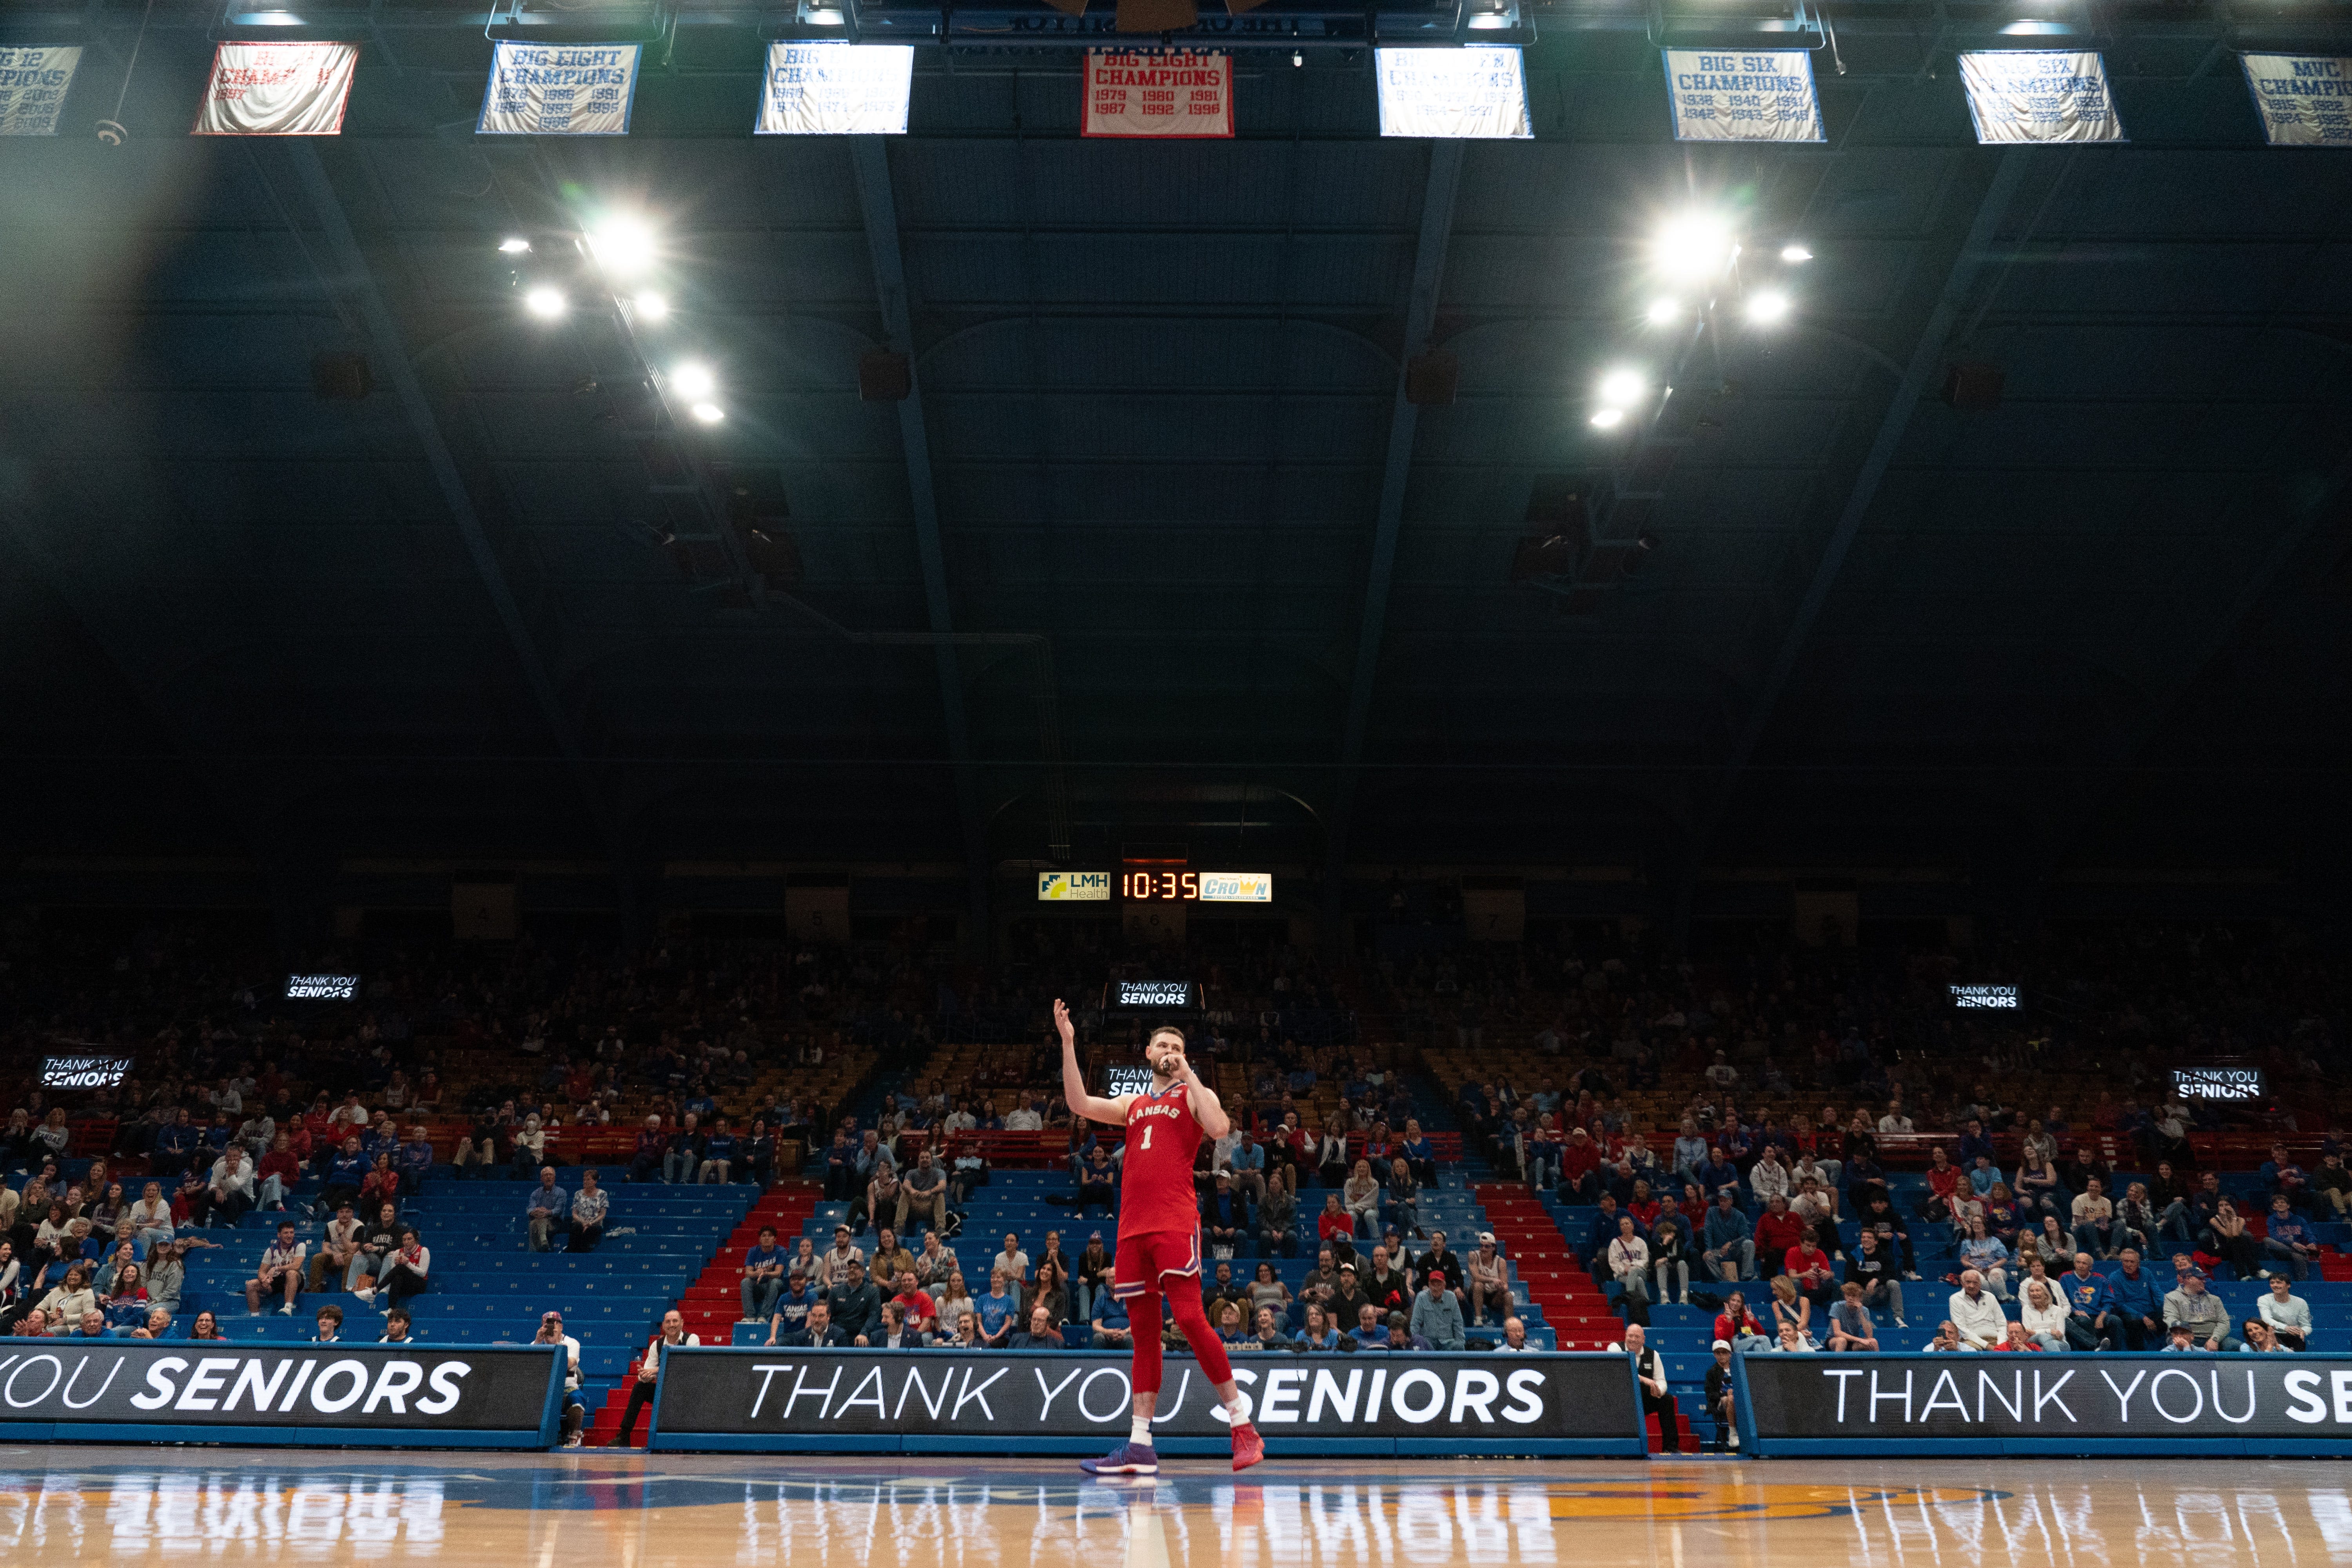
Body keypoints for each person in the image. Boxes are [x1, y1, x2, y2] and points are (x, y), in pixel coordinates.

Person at [1056, 1000, 1262, 1475]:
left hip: (1173, 1222)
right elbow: (1079, 1104)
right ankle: (1139, 1447)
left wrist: (1190, 1071)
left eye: (1178, 1047)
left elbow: (1220, 1127)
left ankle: (1243, 1427)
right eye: (1164, 1045)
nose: (1170, 1051)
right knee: (1144, 1337)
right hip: (1131, 1230)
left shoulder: (1191, 1093)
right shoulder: (1135, 1104)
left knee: (1189, 1318)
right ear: (1148, 1051)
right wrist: (1069, 1042)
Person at [608, 1309, 699, 1447]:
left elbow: (686, 1367)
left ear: (682, 1323)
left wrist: (656, 1370)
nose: (672, 1324)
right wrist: (645, 1376)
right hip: (665, 1392)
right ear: (663, 1325)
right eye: (668, 1322)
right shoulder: (657, 1345)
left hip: (688, 1394)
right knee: (640, 1387)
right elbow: (648, 1372)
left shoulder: (692, 1339)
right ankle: (624, 1435)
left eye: (675, 1321)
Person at [535, 1309, 588, 1446]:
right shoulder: (536, 1345)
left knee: (577, 1398)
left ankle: (575, 1435)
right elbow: (531, 1368)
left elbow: (567, 1364)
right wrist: (538, 1341)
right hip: (542, 1389)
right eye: (549, 1323)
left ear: (561, 1326)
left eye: (556, 1323)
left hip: (567, 1387)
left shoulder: (572, 1343)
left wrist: (558, 1343)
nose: (552, 1326)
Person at [1626, 1323, 1679, 1453]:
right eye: (1630, 1336)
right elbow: (1623, 1371)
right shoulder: (1615, 1349)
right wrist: (1644, 1379)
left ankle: (1671, 1448)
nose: (1633, 1339)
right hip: (1622, 1400)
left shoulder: (1653, 1355)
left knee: (1667, 1400)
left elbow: (1661, 1380)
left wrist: (1658, 1390)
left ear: (1643, 1339)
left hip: (1644, 1398)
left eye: (1637, 1337)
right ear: (1625, 1336)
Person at [2163, 1268, 2239, 1352]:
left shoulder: (2214, 1300)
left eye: (2204, 1279)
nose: (2204, 1281)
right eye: (2200, 1279)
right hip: (2187, 1337)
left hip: (2212, 1337)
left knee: (2237, 1346)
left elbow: (2224, 1323)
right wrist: (2186, 1339)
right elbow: (2172, 1320)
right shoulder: (2172, 1297)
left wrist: (2215, 1339)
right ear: (2189, 1279)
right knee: (2177, 1346)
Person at [244, 1221, 306, 1316]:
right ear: (279, 1235)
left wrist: (277, 1268)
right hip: (277, 1281)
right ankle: (255, 1317)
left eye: (292, 1233)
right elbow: (262, 1271)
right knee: (251, 1284)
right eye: (286, 1233)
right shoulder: (272, 1250)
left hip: (296, 1280)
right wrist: (264, 1280)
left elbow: (296, 1265)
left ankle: (288, 1308)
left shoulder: (300, 1246)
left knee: (291, 1273)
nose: (290, 1236)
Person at [1947, 1269, 2006, 1350]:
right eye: (1968, 1282)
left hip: (1995, 1339)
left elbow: (2002, 1324)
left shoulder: (1990, 1297)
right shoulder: (1955, 1299)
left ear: (1980, 1284)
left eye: (1975, 1283)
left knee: (2013, 1346)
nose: (1972, 1286)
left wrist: (2001, 1345)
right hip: (1971, 1341)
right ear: (1962, 1283)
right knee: (1971, 1349)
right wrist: (1987, 1346)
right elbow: (1961, 1328)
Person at [1465, 1234, 1513, 1327]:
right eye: (1481, 1246)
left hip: (1493, 1296)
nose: (1483, 1249)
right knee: (1479, 1285)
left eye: (1487, 1246)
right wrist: (1493, 1279)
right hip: (1475, 1294)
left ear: (1494, 1248)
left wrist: (1502, 1289)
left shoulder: (1501, 1262)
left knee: (1508, 1296)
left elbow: (1505, 1285)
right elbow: (1476, 1277)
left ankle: (1509, 1326)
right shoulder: (1473, 1256)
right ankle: (1478, 1319)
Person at [1410, 1270, 1466, 1350]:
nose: (1436, 1288)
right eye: (1433, 1285)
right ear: (1429, 1285)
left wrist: (1460, 1341)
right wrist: (1415, 1342)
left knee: (1459, 1346)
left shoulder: (1451, 1297)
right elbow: (1415, 1323)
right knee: (1421, 1345)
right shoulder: (1421, 1297)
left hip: (1447, 1342)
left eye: (1439, 1285)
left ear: (1444, 1285)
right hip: (1428, 1341)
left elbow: (1458, 1322)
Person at [1704, 1339, 1740, 1451]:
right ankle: (1733, 1434)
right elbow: (1710, 1394)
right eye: (1718, 1353)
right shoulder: (1712, 1372)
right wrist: (1724, 1394)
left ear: (1730, 1354)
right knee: (1731, 1399)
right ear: (1714, 1355)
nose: (1721, 1356)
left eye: (1724, 1352)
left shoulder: (1738, 1369)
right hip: (1721, 1402)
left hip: (1740, 1399)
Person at [2259, 1274, 2312, 1351]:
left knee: (2298, 1348)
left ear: (2288, 1285)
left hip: (2293, 1335)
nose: (2275, 1285)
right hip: (2273, 1334)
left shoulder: (2301, 1302)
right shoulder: (2264, 1299)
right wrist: (2285, 1328)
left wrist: (2303, 1331)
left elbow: (2307, 1326)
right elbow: (2266, 1319)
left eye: (2279, 1282)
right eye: (2272, 1283)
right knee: (2280, 1350)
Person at [380, 1227, 431, 1307]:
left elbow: (423, 1274)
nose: (407, 1242)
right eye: (404, 1240)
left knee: (401, 1267)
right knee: (397, 1277)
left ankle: (376, 1289)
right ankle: (391, 1309)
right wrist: (396, 1265)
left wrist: (408, 1264)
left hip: (418, 1285)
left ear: (416, 1240)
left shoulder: (423, 1251)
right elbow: (393, 1274)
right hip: (403, 1285)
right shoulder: (397, 1252)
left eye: (410, 1239)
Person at [1827, 1281, 1879, 1352]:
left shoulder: (1865, 1310)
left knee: (1873, 1342)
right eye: (1848, 1295)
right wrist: (1860, 1340)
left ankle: (1878, 1363)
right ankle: (1838, 1363)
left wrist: (1860, 1312)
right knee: (1842, 1341)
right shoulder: (1837, 1306)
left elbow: (1869, 1335)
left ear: (1860, 1298)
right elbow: (1837, 1333)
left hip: (1852, 1342)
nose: (1850, 1298)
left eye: (1854, 1296)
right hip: (1834, 1340)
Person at [526, 1168, 568, 1254]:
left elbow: (558, 1210)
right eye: (546, 1175)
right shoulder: (535, 1193)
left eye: (551, 1175)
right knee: (535, 1222)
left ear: (554, 1178)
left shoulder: (561, 1192)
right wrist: (535, 1211)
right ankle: (544, 1243)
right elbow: (530, 1208)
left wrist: (546, 1212)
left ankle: (532, 1253)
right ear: (542, 1179)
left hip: (554, 1223)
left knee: (536, 1222)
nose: (548, 1177)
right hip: (539, 1220)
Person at [567, 1169, 609, 1253]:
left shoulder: (603, 1194)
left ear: (595, 1181)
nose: (585, 1182)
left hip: (595, 1224)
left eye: (588, 1179)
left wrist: (590, 1223)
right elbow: (574, 1214)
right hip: (580, 1222)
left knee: (590, 1230)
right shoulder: (578, 1194)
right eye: (584, 1179)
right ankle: (570, 1253)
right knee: (577, 1228)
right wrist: (583, 1223)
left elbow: (602, 1215)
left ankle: (581, 1255)